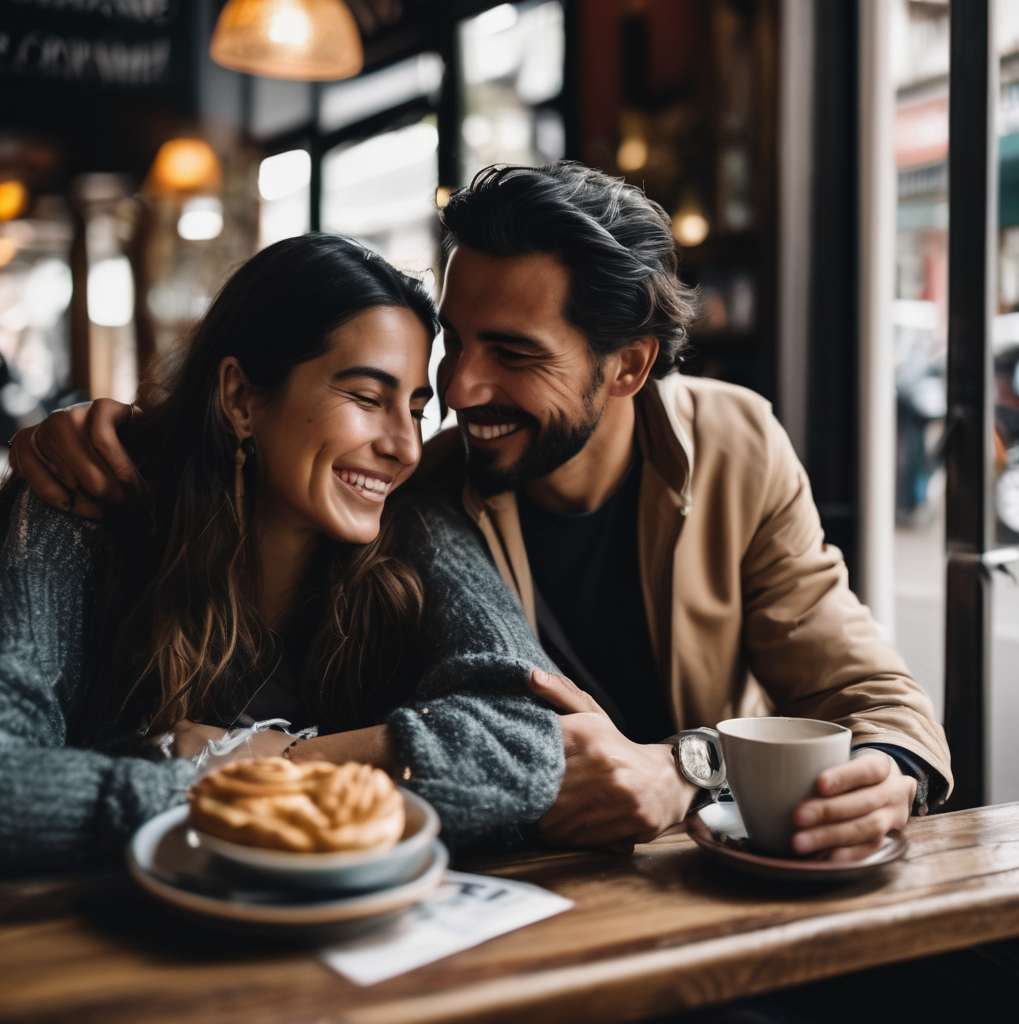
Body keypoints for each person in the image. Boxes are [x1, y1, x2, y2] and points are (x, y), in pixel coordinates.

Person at [12, 163, 952, 862]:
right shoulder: (420, 490)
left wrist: (834, 772)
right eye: (454, 346)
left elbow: (868, 690)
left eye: (513, 353)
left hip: (705, 865)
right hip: (526, 874)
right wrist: (122, 432)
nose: (458, 392)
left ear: (627, 366)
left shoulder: (736, 445)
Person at [0, 233, 565, 873]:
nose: (406, 447)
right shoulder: (76, 511)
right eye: (366, 398)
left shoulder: (418, 531)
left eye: (414, 410)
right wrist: (218, 792)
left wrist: (263, 761)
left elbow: (527, 739)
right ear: (241, 398)